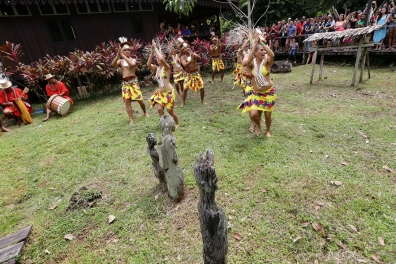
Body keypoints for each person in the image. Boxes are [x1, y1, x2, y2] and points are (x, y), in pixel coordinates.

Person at [238, 36, 277, 137]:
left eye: (264, 50)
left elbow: (272, 55)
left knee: (268, 115)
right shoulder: (251, 64)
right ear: (255, 53)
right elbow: (248, 59)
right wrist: (255, 44)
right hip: (257, 93)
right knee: (253, 114)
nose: (264, 52)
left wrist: (262, 43)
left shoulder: (267, 62)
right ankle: (259, 125)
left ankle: (268, 130)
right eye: (261, 50)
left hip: (269, 92)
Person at [111, 38, 149, 125]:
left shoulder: (133, 59)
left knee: (140, 100)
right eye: (125, 50)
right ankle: (131, 119)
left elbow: (132, 65)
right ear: (122, 51)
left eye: (128, 49)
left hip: (133, 82)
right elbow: (113, 65)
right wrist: (118, 55)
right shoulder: (120, 61)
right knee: (127, 101)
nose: (127, 51)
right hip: (125, 84)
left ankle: (145, 112)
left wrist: (122, 55)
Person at [147, 40, 179, 128]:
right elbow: (148, 64)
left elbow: (161, 58)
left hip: (169, 92)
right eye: (156, 58)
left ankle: (177, 123)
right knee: (159, 109)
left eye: (159, 57)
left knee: (170, 111)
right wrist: (152, 50)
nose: (157, 59)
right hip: (160, 93)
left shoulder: (167, 68)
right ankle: (164, 124)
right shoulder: (156, 69)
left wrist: (156, 47)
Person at [179, 43, 205, 107]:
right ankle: (183, 103)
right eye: (185, 48)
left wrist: (193, 55)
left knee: (202, 87)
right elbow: (185, 65)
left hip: (196, 74)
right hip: (188, 75)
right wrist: (191, 59)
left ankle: (202, 100)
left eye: (187, 47)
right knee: (185, 89)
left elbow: (199, 58)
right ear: (183, 50)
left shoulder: (193, 53)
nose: (187, 48)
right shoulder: (182, 57)